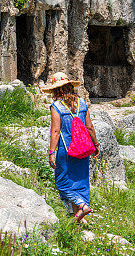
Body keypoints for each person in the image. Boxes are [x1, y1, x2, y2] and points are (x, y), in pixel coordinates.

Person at [42, 72, 101, 224]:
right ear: (70, 87)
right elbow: (89, 127)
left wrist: (51, 153)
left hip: (66, 151)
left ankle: (82, 205)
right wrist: (96, 144)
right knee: (80, 181)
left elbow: (55, 131)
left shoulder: (56, 106)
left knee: (62, 182)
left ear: (56, 90)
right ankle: (79, 218)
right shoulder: (82, 103)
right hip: (84, 150)